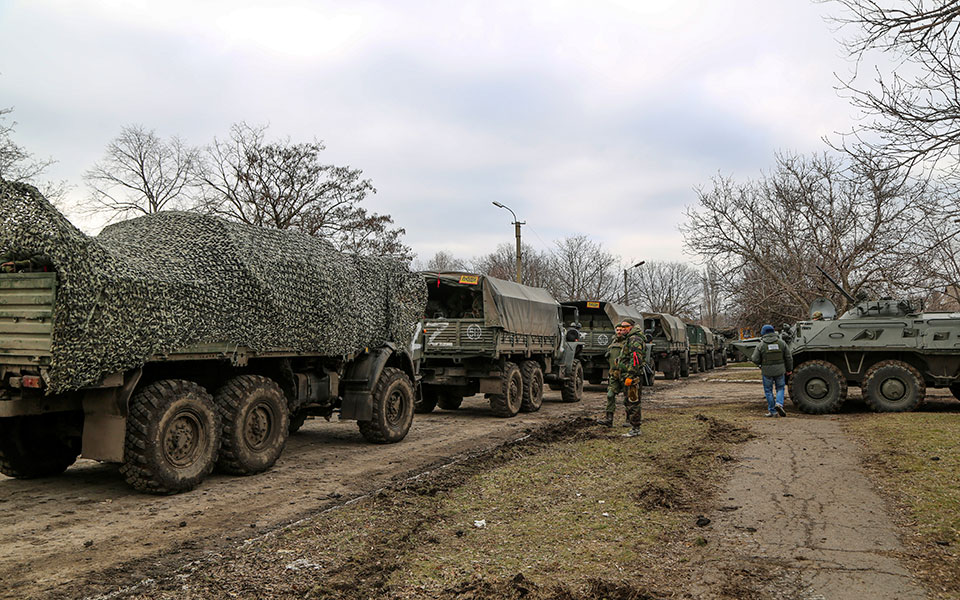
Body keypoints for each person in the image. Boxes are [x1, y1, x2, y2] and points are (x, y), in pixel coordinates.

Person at [596, 318, 645, 436]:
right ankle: (633, 427)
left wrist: (631, 375)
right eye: (620, 327)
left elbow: (636, 360)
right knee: (629, 401)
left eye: (624, 327)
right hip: (623, 374)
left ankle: (635, 428)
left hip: (631, 376)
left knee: (633, 401)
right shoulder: (628, 339)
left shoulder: (635, 340)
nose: (622, 329)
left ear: (631, 327)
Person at [750, 324, 793, 417]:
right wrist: (789, 369)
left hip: (767, 371)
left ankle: (772, 411)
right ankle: (779, 404)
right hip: (780, 370)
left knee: (768, 391)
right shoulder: (782, 343)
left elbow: (754, 359)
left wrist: (761, 364)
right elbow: (789, 357)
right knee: (780, 388)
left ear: (763, 333)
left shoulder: (761, 345)